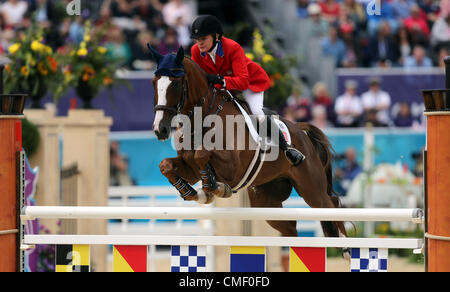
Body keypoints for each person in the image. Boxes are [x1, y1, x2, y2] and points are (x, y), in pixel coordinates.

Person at [190, 15, 305, 166]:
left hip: (250, 82)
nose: (199, 43)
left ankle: (288, 149)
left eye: (203, 38)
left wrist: (221, 80)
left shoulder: (232, 47)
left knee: (257, 113)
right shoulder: (196, 51)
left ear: (216, 36)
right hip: (224, 87)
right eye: (197, 39)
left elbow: (242, 82)